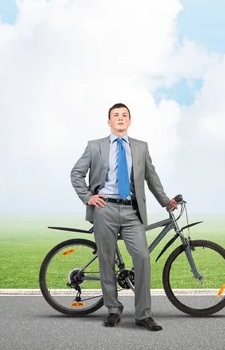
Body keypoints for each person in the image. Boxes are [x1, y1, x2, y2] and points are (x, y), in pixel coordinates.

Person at [70, 103, 177, 331]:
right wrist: (88, 197)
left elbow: (152, 178)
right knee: (106, 261)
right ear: (109, 122)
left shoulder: (140, 147)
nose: (120, 118)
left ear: (129, 122)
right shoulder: (94, 146)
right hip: (104, 209)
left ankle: (143, 315)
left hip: (131, 211)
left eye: (124, 115)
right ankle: (113, 310)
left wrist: (166, 201)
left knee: (143, 258)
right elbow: (76, 173)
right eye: (115, 115)